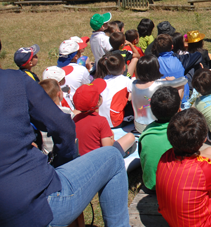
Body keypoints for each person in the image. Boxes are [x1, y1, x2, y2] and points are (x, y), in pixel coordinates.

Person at [0, 68, 130, 227]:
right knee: (113, 157)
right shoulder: (14, 79)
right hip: (37, 208)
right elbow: (63, 128)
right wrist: (62, 160)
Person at [139, 86, 205, 192]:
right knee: (210, 152)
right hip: (174, 185)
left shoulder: (146, 132)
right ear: (179, 110)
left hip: (150, 186)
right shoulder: (180, 132)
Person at [73, 79, 136, 157]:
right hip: (99, 159)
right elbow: (108, 149)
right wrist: (111, 138)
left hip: (82, 158)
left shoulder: (75, 119)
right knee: (130, 137)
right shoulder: (101, 121)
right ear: (99, 102)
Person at [132, 56, 188, 133]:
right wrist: (173, 80)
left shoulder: (134, 83)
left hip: (138, 126)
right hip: (154, 125)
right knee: (180, 87)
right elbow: (184, 80)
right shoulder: (157, 84)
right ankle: (177, 110)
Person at [99, 53, 134, 128]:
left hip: (100, 120)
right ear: (124, 68)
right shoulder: (126, 81)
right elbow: (138, 93)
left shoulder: (103, 80)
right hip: (114, 122)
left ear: (107, 68)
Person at [155, 34, 191, 104]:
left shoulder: (155, 63)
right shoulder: (179, 59)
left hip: (163, 99)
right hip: (183, 98)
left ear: (156, 48)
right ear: (172, 46)